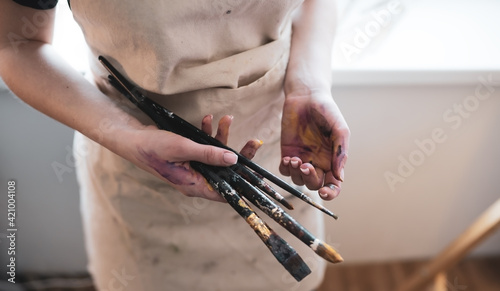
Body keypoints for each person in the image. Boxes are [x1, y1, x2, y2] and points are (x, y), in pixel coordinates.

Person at [0, 0, 350, 290]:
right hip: (138, 178)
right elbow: (15, 45)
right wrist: (126, 135)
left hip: (277, 145)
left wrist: (309, 85)